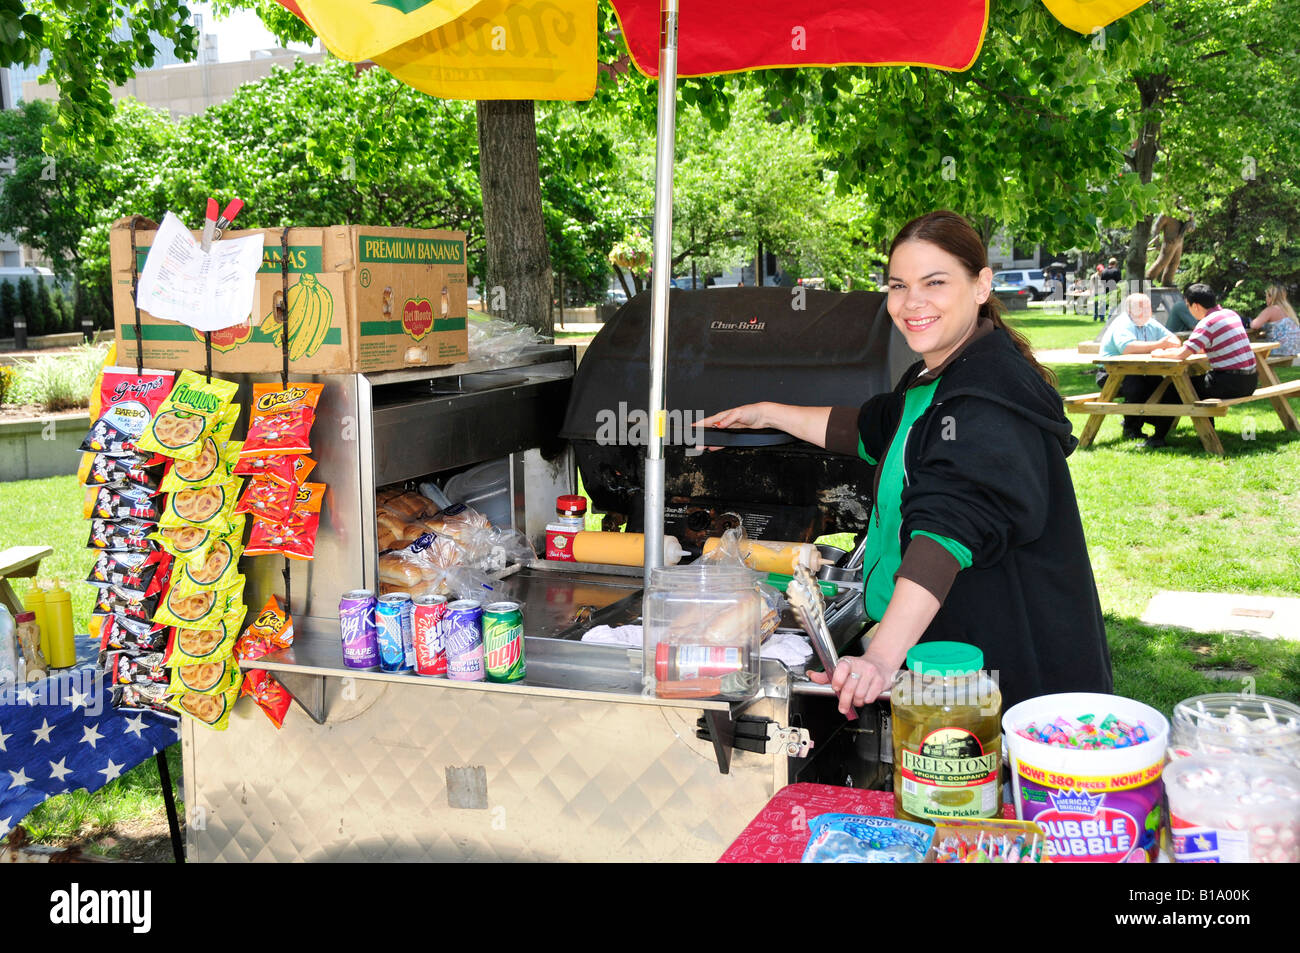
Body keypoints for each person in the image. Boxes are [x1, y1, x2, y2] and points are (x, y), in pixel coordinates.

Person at [698, 210, 1113, 714]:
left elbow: (945, 534)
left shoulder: (984, 398)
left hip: (1009, 680)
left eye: (934, 282)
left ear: (981, 285)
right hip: (951, 657)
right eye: (898, 285)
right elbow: (875, 429)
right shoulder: (937, 376)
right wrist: (767, 415)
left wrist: (880, 658)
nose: (912, 302)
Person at [1152, 283, 1258, 407]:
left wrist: (1161, 353)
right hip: (1251, 381)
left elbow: (1181, 354)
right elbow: (1209, 347)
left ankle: (1148, 424)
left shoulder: (1207, 322)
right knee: (1194, 384)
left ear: (1196, 306)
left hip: (1231, 384)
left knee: (1176, 388)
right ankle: (1206, 426)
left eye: (1188, 306)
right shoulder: (1231, 314)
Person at [1096, 293, 1181, 443]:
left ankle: (1159, 427)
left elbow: (1174, 340)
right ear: (1129, 310)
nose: (1145, 311)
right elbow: (1127, 347)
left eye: (1147, 307)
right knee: (1138, 388)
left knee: (1166, 386)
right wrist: (1160, 345)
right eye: (1140, 308)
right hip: (1112, 373)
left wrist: (1166, 346)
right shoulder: (1123, 323)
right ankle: (1131, 427)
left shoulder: (1150, 323)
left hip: (1143, 371)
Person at [1250, 283, 1300, 358]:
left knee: (1250, 353)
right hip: (1294, 349)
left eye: (1266, 296)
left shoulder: (1272, 309)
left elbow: (1254, 325)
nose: (1266, 299)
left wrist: (1250, 321)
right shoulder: (1288, 310)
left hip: (1279, 349)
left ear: (1271, 297)